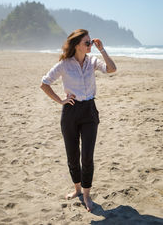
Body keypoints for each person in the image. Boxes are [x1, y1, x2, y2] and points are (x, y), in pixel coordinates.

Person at [40, 29, 116, 212]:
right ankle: (77, 189)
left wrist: (102, 49)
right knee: (72, 155)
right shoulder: (64, 64)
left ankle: (87, 195)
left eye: (90, 42)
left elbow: (112, 69)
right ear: (76, 45)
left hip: (89, 111)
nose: (90, 45)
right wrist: (60, 100)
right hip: (71, 112)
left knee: (87, 157)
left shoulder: (92, 61)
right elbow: (44, 83)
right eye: (87, 43)